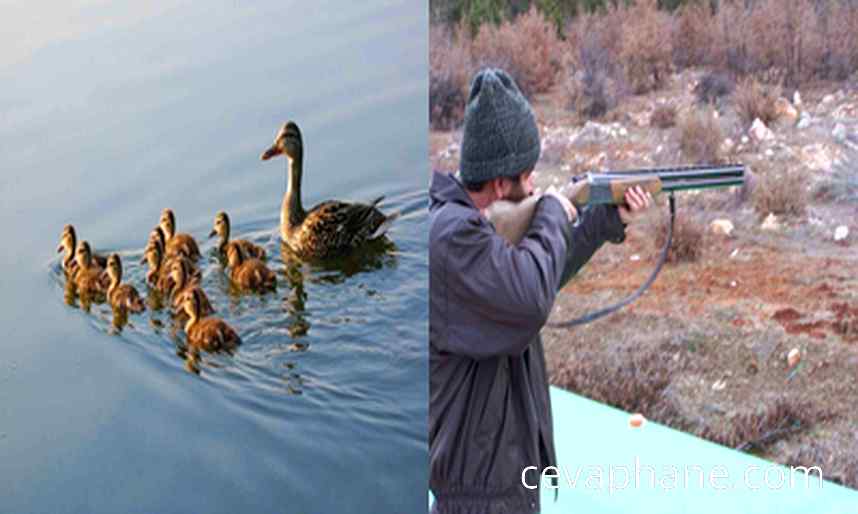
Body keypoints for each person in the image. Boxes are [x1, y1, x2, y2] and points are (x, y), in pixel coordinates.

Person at [428, 68, 652, 514]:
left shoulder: (464, 229)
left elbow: (530, 279)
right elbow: (528, 296)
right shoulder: (453, 237)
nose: (533, 187)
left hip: (501, 479)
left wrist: (605, 222)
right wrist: (552, 211)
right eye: (528, 177)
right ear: (498, 183)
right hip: (479, 495)